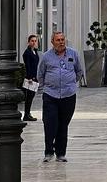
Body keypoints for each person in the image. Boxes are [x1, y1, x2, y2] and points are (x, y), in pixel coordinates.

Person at [38, 32, 83, 162]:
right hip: (50, 95)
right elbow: (40, 74)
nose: (61, 42)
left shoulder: (73, 54)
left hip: (68, 95)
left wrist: (71, 82)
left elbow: (79, 71)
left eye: (62, 39)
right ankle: (48, 152)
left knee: (63, 124)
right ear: (52, 42)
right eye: (58, 40)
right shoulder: (46, 56)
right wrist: (45, 87)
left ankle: (61, 153)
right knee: (50, 123)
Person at [22, 34, 40, 121]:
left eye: (35, 41)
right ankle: (26, 114)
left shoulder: (35, 51)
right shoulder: (27, 53)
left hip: (35, 77)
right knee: (29, 97)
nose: (34, 43)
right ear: (28, 42)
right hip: (30, 78)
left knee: (31, 96)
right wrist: (30, 77)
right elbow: (28, 66)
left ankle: (28, 113)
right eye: (32, 41)